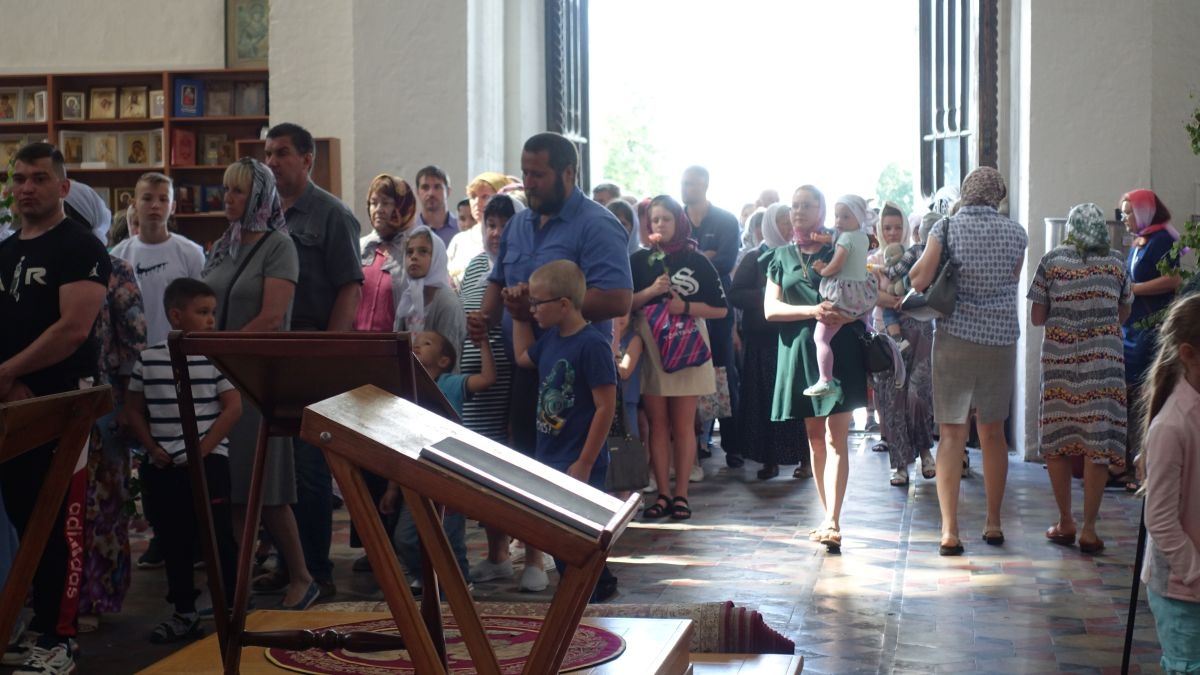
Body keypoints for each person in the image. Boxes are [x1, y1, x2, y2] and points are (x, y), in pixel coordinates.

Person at [470, 131, 631, 593]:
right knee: (531, 461)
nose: (530, 183)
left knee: (576, 472)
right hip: (529, 365)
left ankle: (588, 569)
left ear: (567, 173)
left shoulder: (597, 225)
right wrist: (485, 317)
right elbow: (499, 281)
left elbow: (618, 298)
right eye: (525, 173)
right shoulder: (519, 225)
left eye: (538, 174)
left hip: (578, 370)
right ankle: (538, 556)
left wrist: (550, 308)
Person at [0, 142, 111, 674]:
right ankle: (25, 620)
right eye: (19, 178)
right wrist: (8, 382)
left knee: (56, 520)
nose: (27, 188)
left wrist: (8, 373)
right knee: (20, 520)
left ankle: (58, 638)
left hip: (63, 404)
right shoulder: (5, 251)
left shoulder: (80, 246)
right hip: (11, 402)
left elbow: (73, 330)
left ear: (63, 187)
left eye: (39, 178)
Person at [203, 157, 316, 611]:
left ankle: (302, 576)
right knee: (233, 490)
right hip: (220, 379)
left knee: (264, 488)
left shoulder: (278, 246)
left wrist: (223, 351)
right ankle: (238, 586)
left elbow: (271, 317)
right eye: (225, 189)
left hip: (255, 381)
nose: (227, 198)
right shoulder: (222, 245)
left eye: (237, 191)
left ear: (259, 197)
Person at [908, 167, 1028, 556]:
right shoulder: (1017, 233)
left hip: (956, 337)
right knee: (993, 432)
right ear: (998, 196)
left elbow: (919, 280)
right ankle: (993, 522)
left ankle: (950, 530)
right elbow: (1012, 279)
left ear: (966, 192)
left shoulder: (946, 227)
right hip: (999, 340)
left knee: (952, 433)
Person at [265, 123, 363, 601]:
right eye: (268, 153)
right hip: (272, 352)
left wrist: (329, 352)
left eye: (282, 153)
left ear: (307, 160)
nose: (272, 162)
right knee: (277, 466)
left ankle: (317, 571)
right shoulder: (266, 212)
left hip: (312, 348)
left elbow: (349, 287)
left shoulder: (331, 214)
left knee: (308, 468)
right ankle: (289, 564)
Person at [124, 278, 241, 644]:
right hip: (164, 467)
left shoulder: (216, 358)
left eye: (212, 313)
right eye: (202, 312)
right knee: (173, 539)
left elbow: (233, 407)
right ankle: (184, 611)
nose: (210, 320)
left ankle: (233, 608)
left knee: (218, 537)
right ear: (176, 315)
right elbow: (133, 409)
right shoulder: (149, 359)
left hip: (208, 464)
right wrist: (151, 447)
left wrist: (202, 449)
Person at [763, 184, 866, 553]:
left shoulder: (839, 248)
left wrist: (848, 315)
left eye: (807, 205)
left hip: (840, 349)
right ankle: (827, 516)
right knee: (815, 437)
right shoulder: (780, 256)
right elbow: (770, 310)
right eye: (794, 205)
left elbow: (864, 292)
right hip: (799, 351)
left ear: (822, 210)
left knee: (837, 436)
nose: (799, 211)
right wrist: (812, 311)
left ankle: (833, 520)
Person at [512, 260, 619, 602]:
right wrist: (517, 315)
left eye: (537, 303)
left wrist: (585, 462)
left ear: (563, 304)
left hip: (578, 459)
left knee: (579, 538)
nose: (533, 309)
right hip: (551, 457)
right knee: (561, 537)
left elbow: (605, 407)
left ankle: (592, 593)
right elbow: (522, 357)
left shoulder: (592, 345)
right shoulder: (551, 340)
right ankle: (586, 588)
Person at [1028, 203, 1131, 553]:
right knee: (1096, 445)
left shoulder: (1052, 261)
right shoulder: (1116, 262)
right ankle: (1089, 529)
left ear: (1070, 229)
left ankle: (1065, 521)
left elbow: (1037, 317)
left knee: (1058, 440)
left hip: (1061, 364)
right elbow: (1124, 311)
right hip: (1103, 366)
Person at [631, 195, 727, 520]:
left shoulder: (697, 260)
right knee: (657, 424)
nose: (660, 225)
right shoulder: (639, 260)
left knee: (684, 424)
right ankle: (662, 493)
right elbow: (625, 304)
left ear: (679, 221)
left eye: (666, 219)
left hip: (688, 345)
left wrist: (683, 306)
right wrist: (651, 292)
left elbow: (720, 309)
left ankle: (682, 494)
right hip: (651, 346)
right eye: (654, 220)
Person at [382, 329, 495, 590]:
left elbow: (487, 378)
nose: (418, 345)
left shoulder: (450, 383)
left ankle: (459, 583)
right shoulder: (405, 389)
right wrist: (392, 488)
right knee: (406, 538)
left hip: (449, 475)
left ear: (444, 361)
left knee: (450, 538)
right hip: (414, 474)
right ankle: (428, 577)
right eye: (416, 342)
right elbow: (399, 439)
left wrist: (483, 344)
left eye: (427, 343)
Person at [457, 194, 523, 584]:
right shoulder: (474, 267)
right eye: (490, 225)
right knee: (483, 473)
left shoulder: (520, 268)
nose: (496, 233)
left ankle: (532, 553)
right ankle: (496, 553)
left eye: (504, 226)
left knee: (511, 469)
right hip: (475, 386)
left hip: (508, 380)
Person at [1139, 294, 1200, 674]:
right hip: (1182, 590)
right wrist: (1196, 574)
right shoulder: (1172, 425)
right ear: (1189, 354)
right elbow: (1160, 520)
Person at [729, 203, 808, 480]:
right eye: (783, 222)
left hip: (793, 340)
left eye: (790, 221)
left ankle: (805, 458)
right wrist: (768, 295)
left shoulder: (799, 254)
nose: (788, 226)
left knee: (797, 401)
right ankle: (769, 459)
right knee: (765, 402)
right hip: (762, 344)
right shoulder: (755, 257)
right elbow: (736, 294)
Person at [1117, 188, 1181, 490]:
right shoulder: (1141, 239)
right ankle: (1126, 462)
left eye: (1128, 213)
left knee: (1144, 392)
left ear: (1143, 212)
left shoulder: (1163, 240)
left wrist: (1134, 290)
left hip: (1150, 326)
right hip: (1132, 326)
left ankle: (1142, 467)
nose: (1124, 219)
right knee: (1127, 392)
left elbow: (1173, 280)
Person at [869, 203, 935, 487]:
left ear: (906, 228)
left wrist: (901, 298)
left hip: (920, 329)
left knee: (919, 395)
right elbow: (871, 295)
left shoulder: (916, 255)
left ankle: (925, 451)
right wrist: (895, 300)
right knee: (893, 399)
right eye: (887, 228)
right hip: (887, 334)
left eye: (897, 227)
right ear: (879, 230)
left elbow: (927, 287)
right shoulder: (873, 260)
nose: (893, 232)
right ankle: (899, 465)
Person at [681, 166, 743, 467]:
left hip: (717, 310)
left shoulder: (725, 220)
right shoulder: (677, 219)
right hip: (682, 313)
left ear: (704, 184)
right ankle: (694, 445)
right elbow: (671, 262)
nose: (685, 188)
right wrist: (705, 256)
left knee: (723, 374)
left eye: (691, 183)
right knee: (685, 374)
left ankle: (733, 445)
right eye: (683, 183)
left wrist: (691, 260)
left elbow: (726, 262)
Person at [110, 172, 206, 345]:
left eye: (163, 199)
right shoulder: (118, 255)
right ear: (135, 204)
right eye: (147, 199)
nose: (155, 205)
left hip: (178, 351)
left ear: (173, 206)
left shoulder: (192, 253)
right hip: (132, 353)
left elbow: (201, 310)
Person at [804, 194, 879, 399]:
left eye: (845, 217)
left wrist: (822, 270)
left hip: (844, 293)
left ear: (858, 217)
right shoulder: (863, 237)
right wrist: (822, 239)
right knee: (863, 325)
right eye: (837, 216)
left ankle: (825, 379)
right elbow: (837, 240)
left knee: (821, 337)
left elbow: (837, 264)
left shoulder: (845, 239)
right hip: (862, 290)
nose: (839, 221)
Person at [355, 174, 417, 332]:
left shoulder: (413, 251)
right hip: (355, 342)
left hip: (396, 343)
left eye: (386, 203)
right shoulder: (359, 247)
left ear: (402, 206)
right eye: (373, 203)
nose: (378, 209)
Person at [394, 226, 465, 353]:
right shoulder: (407, 297)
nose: (414, 257)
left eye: (423, 251)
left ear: (437, 258)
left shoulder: (447, 302)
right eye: (409, 252)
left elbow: (448, 356)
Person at [448, 172, 514, 287]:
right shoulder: (459, 240)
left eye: (485, 196)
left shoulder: (510, 235)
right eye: (473, 196)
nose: (477, 202)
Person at [415, 165, 458, 248]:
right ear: (417, 192)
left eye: (437, 187)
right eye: (425, 187)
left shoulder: (461, 230)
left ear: (448, 191)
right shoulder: (408, 232)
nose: (431, 193)